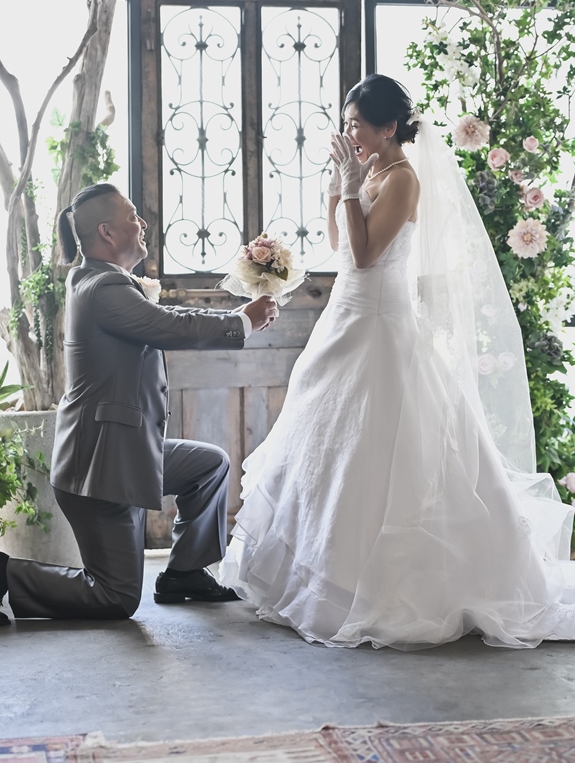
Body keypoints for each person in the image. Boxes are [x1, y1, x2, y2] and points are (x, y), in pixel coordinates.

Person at [220, 73, 575, 650]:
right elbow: (339, 245)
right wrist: (338, 187)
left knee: (384, 447)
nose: (348, 132)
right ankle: (315, 577)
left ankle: (385, 590)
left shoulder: (404, 179)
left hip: (382, 325)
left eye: (357, 123)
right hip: (345, 319)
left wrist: (350, 184)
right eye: (345, 121)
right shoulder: (370, 172)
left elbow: (365, 256)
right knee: (329, 447)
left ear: (388, 127)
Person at [0, 183, 277, 627]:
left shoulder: (100, 280)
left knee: (209, 465)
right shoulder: (102, 286)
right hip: (101, 468)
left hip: (125, 451)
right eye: (132, 215)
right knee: (116, 596)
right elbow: (171, 326)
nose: (142, 222)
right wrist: (242, 321)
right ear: (106, 232)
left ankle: (185, 572)